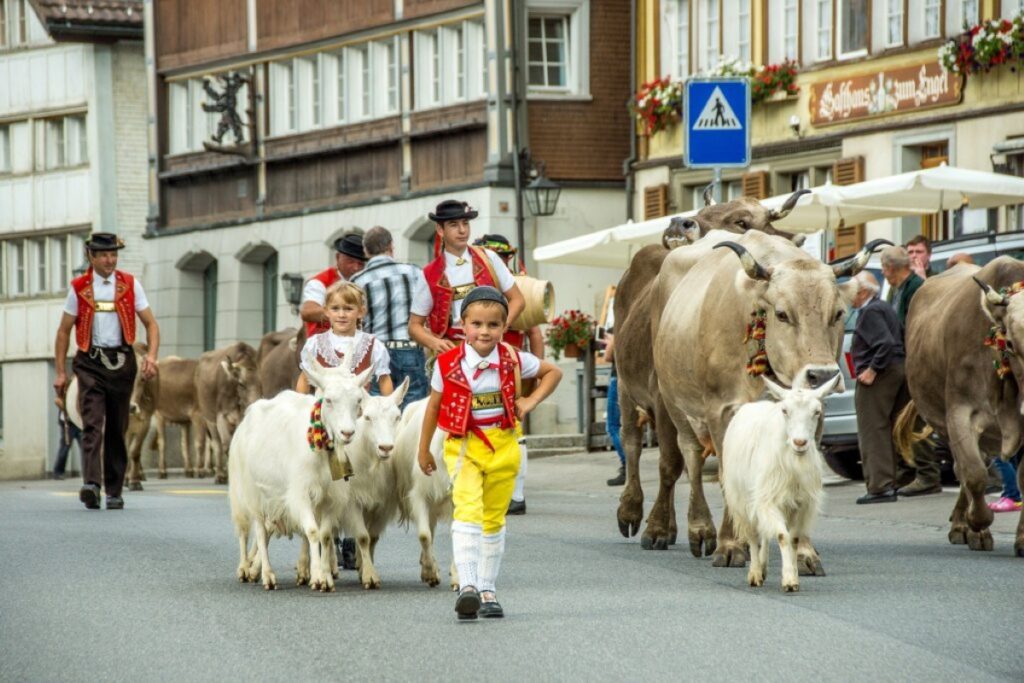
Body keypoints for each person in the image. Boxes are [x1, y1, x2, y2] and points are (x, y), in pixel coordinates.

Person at [416, 286, 562, 620]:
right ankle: (467, 585)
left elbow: (553, 372)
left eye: (493, 325)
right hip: (464, 446)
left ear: (503, 326)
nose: (485, 331)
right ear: (463, 325)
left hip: (504, 446)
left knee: (494, 519)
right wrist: (423, 449)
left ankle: (488, 589)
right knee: (467, 510)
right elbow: (434, 406)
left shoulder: (512, 357)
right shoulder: (447, 362)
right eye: (477, 324)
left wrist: (530, 401)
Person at [53, 232, 159, 511]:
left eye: (113, 254)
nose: (109, 260)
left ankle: (114, 490)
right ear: (91, 256)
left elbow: (151, 325)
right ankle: (91, 484)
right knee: (92, 423)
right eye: (103, 255)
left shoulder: (130, 285)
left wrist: (151, 356)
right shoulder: (79, 288)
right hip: (90, 362)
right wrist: (61, 372)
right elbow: (64, 331)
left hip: (122, 362)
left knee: (116, 426)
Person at [472, 233, 544, 515]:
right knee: (509, 428)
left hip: (505, 364)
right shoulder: (517, 285)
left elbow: (534, 330)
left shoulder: (505, 286)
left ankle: (513, 493)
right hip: (512, 364)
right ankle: (513, 493)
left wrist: (535, 368)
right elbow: (535, 332)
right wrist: (536, 367)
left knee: (505, 427)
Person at [409, 199, 526, 356]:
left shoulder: (489, 258)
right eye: (454, 225)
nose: (462, 230)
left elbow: (517, 300)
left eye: (465, 223)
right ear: (440, 229)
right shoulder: (429, 274)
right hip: (453, 353)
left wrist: (498, 327)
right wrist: (435, 343)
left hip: (491, 347)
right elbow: (414, 326)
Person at [350, 226, 429, 408]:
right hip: (410, 349)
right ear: (391, 246)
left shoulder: (357, 281)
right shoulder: (415, 272)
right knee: (413, 410)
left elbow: (356, 325)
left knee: (380, 412)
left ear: (366, 251)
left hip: (375, 354)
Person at [851, 271, 910, 504]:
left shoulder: (870, 311)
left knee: (873, 430)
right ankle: (888, 483)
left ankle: (880, 486)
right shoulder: (884, 307)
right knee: (887, 428)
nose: (849, 296)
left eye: (852, 291)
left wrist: (872, 369)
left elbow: (884, 342)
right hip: (898, 368)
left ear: (864, 291)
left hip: (881, 374)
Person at [300, 232, 367, 338]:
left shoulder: (365, 281)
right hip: (324, 344)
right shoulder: (319, 282)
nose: (356, 268)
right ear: (337, 257)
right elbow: (307, 313)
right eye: (350, 261)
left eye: (360, 264)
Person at [881, 245, 924, 328]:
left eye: (883, 266)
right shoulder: (896, 289)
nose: (882, 272)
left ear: (891, 268)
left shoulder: (915, 286)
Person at [604, 330, 627, 486]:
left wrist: (611, 341)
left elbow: (607, 356)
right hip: (630, 379)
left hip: (617, 378)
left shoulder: (619, 327)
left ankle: (627, 464)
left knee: (613, 426)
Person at [52, 396, 82, 480]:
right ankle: (58, 472)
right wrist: (68, 409)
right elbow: (57, 400)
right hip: (68, 423)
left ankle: (88, 474)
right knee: (64, 448)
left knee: (85, 449)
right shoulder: (67, 384)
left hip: (79, 421)